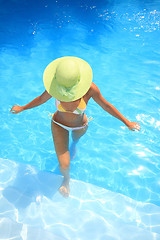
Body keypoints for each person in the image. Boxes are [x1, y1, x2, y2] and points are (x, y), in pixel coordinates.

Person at [10, 56, 140, 198]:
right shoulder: (55, 87)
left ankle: (74, 145)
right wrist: (23, 108)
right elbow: (41, 99)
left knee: (75, 142)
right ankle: (66, 179)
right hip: (58, 125)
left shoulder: (90, 89)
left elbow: (106, 105)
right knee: (64, 165)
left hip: (80, 126)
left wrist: (127, 122)